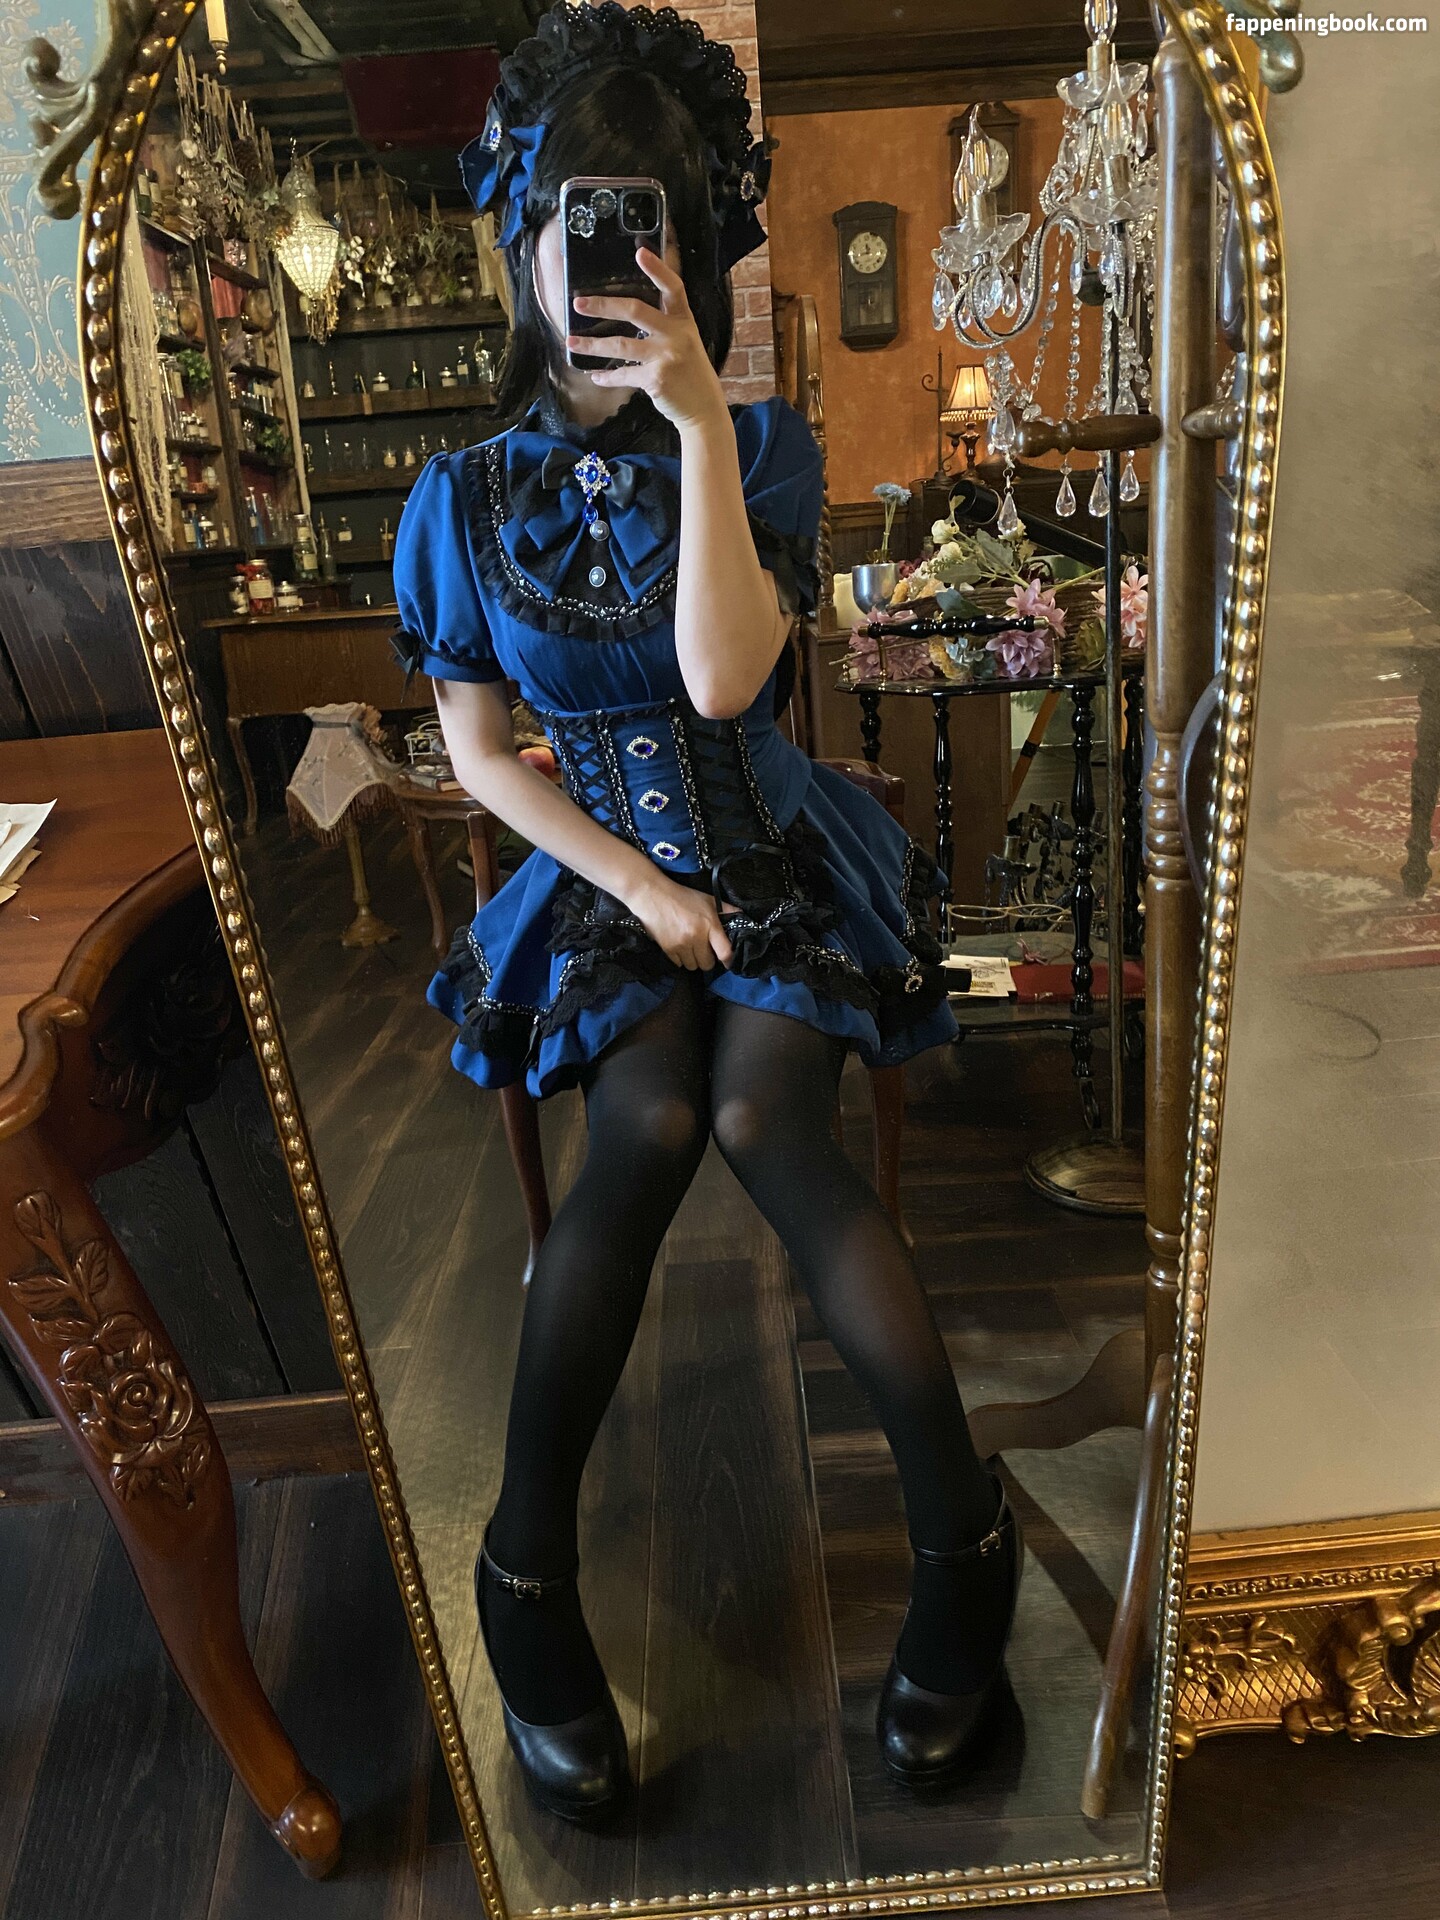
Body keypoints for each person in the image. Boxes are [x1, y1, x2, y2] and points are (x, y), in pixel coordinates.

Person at [391, 0, 1021, 1825]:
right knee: (650, 1123)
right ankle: (522, 1584)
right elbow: (484, 759)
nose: (606, 266)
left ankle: (963, 1550)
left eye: (646, 230)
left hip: (775, 849)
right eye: (577, 228)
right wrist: (642, 890)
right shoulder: (459, 500)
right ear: (525, 243)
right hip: (607, 884)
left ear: (695, 252)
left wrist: (690, 427)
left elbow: (732, 687)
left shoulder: (757, 449)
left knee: (760, 1118)